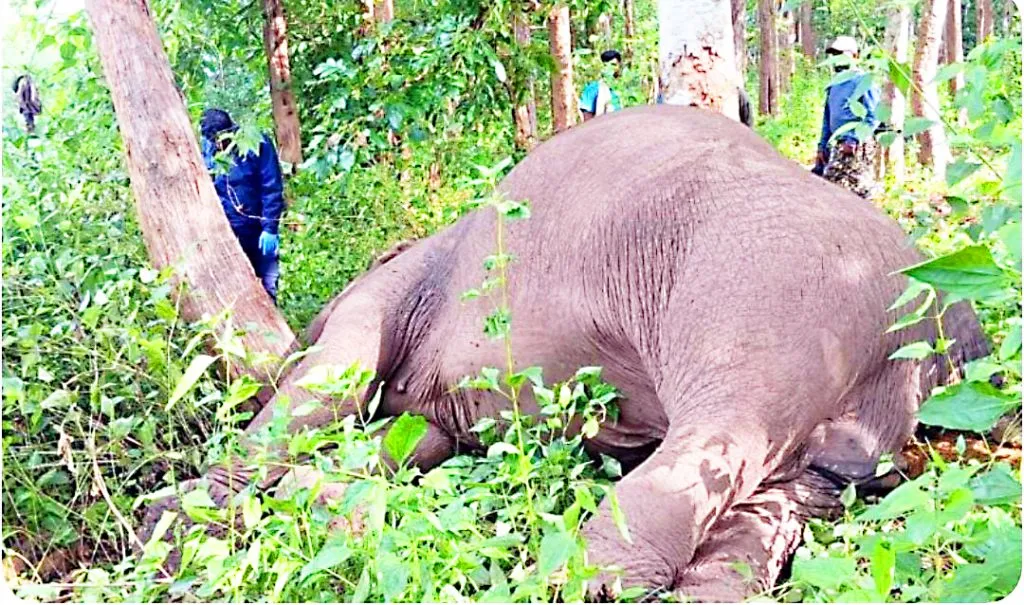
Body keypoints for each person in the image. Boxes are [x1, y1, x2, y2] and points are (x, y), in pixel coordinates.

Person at [200, 108, 285, 303]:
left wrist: (270, 227)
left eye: (220, 140)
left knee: (267, 284)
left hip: (258, 228)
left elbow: (271, 187)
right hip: (228, 232)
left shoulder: (257, 144)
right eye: (213, 141)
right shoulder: (207, 151)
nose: (218, 145)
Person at [812, 36, 881, 199]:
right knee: (830, 189)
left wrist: (854, 139)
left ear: (855, 56)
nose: (837, 59)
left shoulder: (864, 81)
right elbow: (827, 119)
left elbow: (873, 116)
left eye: (841, 54)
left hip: (856, 146)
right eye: (834, 55)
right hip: (837, 144)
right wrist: (822, 146)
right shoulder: (834, 85)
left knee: (857, 191)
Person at [579, 50, 623, 121]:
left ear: (619, 66)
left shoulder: (622, 89)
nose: (610, 68)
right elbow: (587, 119)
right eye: (606, 65)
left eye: (613, 65)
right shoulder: (592, 89)